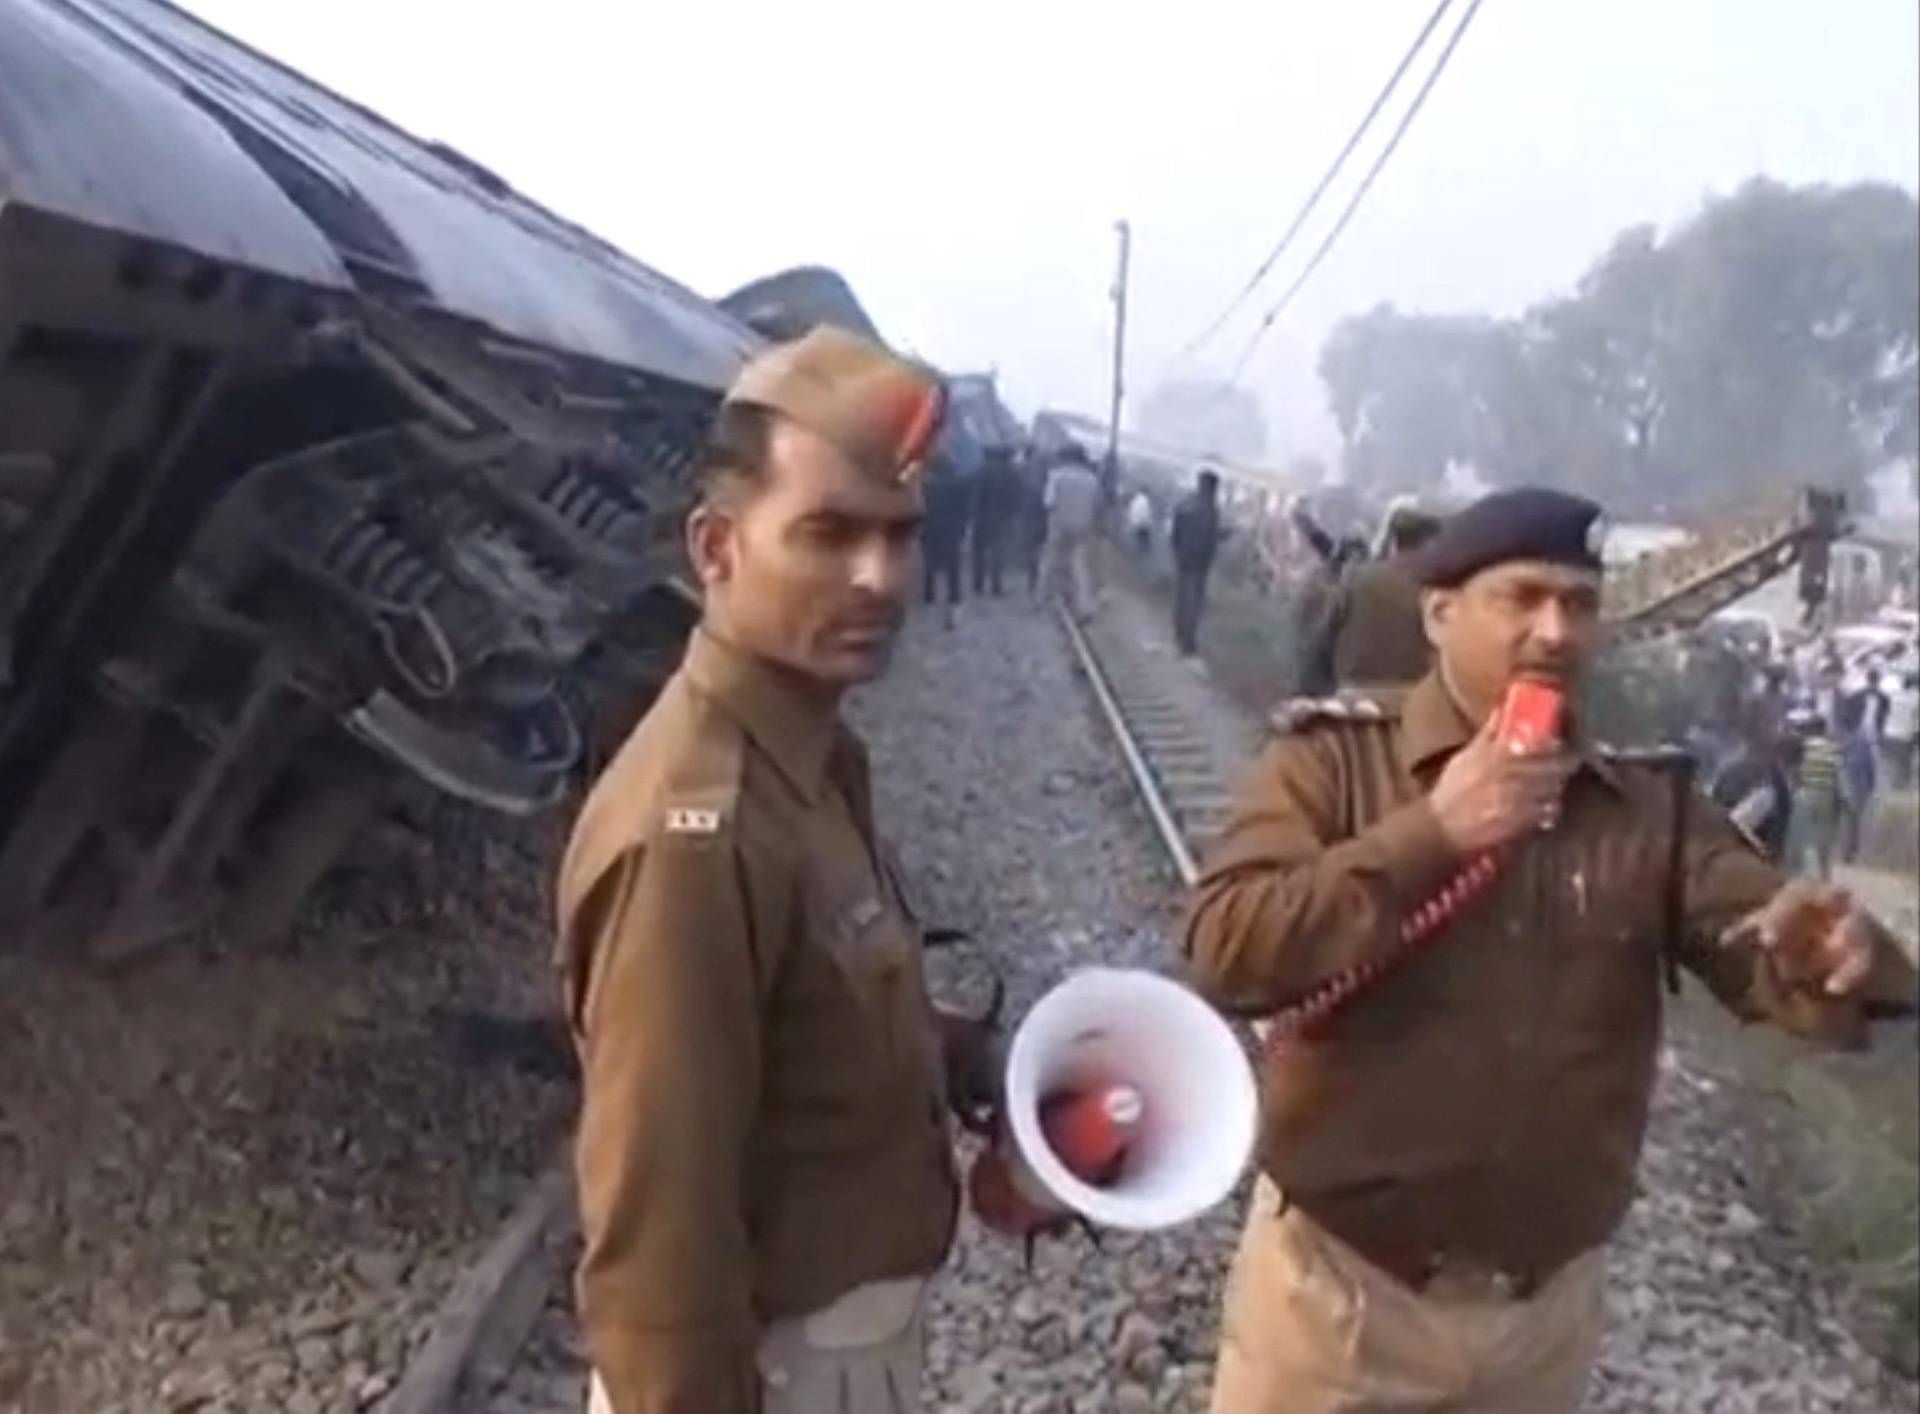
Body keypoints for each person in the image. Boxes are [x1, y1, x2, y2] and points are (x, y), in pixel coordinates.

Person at [1184, 487, 1915, 1414]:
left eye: (1579, 603)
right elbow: (1225, 945)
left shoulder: (1647, 808)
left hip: (1541, 1325)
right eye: (1522, 598)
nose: (1556, 630)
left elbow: (1768, 948)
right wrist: (1433, 834)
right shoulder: (1331, 766)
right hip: (1342, 1301)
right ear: (1439, 613)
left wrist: (1831, 957)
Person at [557, 327, 992, 1414]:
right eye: (828, 534)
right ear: (716, 548)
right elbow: (658, 1236)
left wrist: (964, 1062)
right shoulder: (695, 830)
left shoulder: (810, 758)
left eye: (901, 536)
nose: (878, 578)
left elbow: (801, 1018)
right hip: (780, 1372)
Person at [1306, 503, 1442, 691]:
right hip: (1411, 696)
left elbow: (1325, 636)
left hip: (1355, 692)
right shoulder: (1436, 587)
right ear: (1428, 543)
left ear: (1394, 541)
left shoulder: (1356, 577)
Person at [1041, 443, 1101, 619]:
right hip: (1082, 524)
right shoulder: (1092, 479)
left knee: (1051, 560)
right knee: (1079, 565)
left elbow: (1048, 502)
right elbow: (1097, 504)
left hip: (1059, 523)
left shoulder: (1057, 476)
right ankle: (1084, 606)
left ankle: (1045, 597)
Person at [1170, 469, 1225, 657]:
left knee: (1182, 596)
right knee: (1194, 601)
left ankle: (1179, 633)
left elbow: (1176, 531)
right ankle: (1187, 640)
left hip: (1184, 557)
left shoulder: (1187, 504)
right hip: (1200, 562)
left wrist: (1177, 551)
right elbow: (1212, 538)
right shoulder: (1211, 510)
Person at [919, 462, 969, 624]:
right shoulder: (957, 485)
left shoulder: (925, 486)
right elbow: (963, 509)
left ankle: (928, 594)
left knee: (929, 562)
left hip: (930, 528)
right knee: (953, 566)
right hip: (950, 529)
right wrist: (962, 527)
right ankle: (954, 597)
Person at [969, 447, 1020, 597]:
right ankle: (996, 584)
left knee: (979, 551)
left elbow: (975, 494)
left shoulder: (981, 470)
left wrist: (973, 513)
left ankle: (978, 584)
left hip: (982, 516)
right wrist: (1013, 514)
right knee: (998, 551)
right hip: (1003, 517)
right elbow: (1017, 495)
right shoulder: (1012, 472)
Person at [1836, 694, 1877, 865]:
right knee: (1852, 819)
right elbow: (1870, 763)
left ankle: (1848, 852)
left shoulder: (1855, 736)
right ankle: (1848, 851)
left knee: (1850, 819)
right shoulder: (1860, 735)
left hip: (1853, 781)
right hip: (1854, 782)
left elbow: (1867, 763)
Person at [1884, 671, 1919, 791]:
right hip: (1904, 735)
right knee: (1904, 763)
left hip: (1888, 733)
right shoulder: (1916, 698)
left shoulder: (1893, 695)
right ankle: (1901, 787)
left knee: (1891, 763)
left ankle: (1891, 787)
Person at [1126, 487, 1154, 557]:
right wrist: (1149, 522)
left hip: (1135, 522)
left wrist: (1132, 521)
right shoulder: (1145, 500)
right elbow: (1146, 513)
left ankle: (1139, 553)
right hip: (1143, 523)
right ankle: (1145, 555)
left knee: (1139, 539)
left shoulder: (1135, 500)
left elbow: (1131, 511)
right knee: (1145, 540)